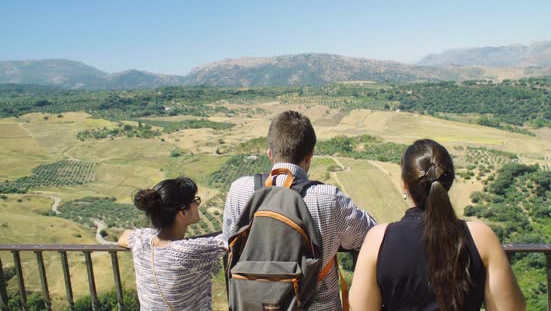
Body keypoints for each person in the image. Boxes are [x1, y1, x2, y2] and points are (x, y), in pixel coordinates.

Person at [223, 110, 376, 310]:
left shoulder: (239, 190)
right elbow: (371, 234)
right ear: (310, 156)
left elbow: (229, 245)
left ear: (270, 153)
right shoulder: (329, 199)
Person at [349, 139, 526, 311]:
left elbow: (360, 306)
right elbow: (511, 307)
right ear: (448, 182)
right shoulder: (481, 237)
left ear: (405, 185)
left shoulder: (377, 240)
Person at [118, 177, 226, 311]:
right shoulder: (185, 252)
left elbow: (124, 236)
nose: (197, 205)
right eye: (195, 201)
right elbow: (231, 239)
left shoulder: (142, 241)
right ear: (183, 212)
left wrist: (150, 235)